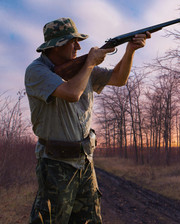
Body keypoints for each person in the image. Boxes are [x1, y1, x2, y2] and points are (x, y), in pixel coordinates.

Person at [25, 17, 150, 224]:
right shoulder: (37, 71)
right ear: (56, 46)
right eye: (72, 41)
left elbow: (119, 79)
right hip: (55, 164)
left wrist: (130, 50)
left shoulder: (81, 68)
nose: (78, 46)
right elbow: (72, 92)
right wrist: (90, 63)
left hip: (85, 161)